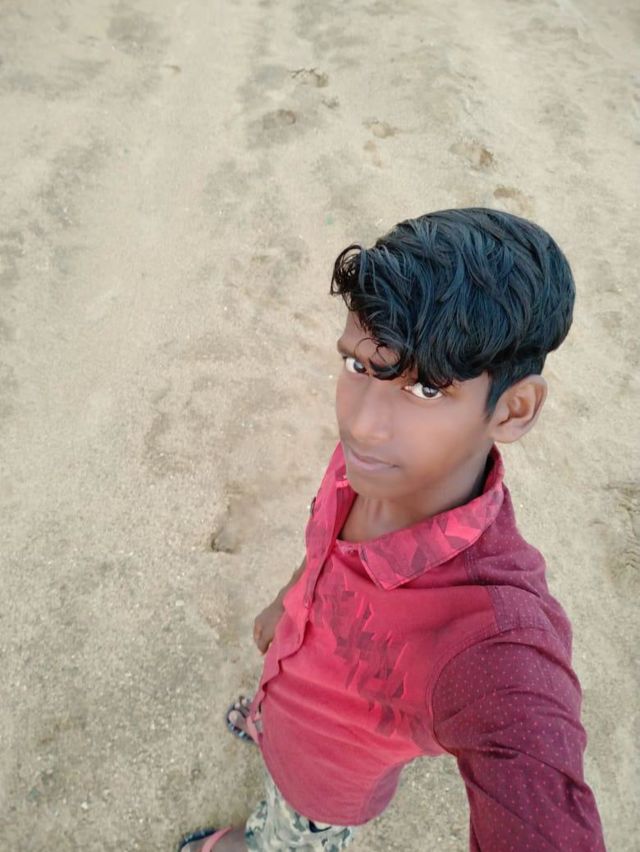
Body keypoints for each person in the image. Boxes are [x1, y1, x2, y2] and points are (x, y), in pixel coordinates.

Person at [178, 208, 606, 851]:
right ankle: (266, 724)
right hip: (286, 695)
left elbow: (537, 787)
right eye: (359, 366)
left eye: (426, 389)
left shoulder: (498, 644)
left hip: (324, 791)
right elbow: (324, 545)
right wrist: (286, 601)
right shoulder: (376, 461)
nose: (361, 424)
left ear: (514, 409)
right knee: (274, 722)